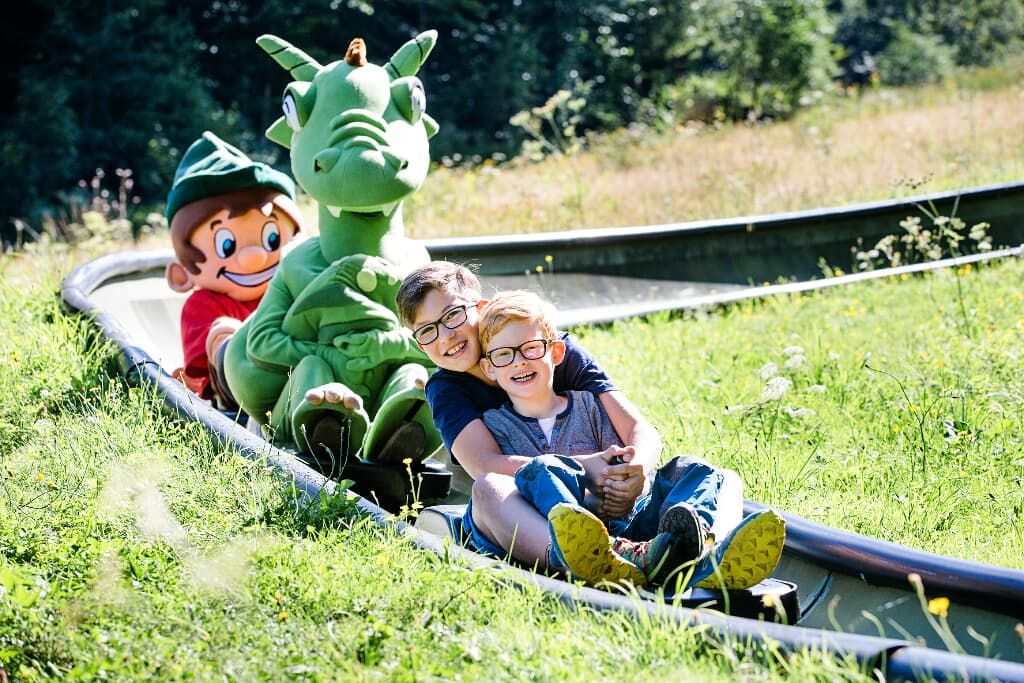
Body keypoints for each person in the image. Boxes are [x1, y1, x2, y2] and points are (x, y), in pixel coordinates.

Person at [395, 262, 783, 587]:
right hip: (532, 514)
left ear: (479, 307)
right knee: (488, 490)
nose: (446, 336)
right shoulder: (447, 388)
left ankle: (707, 555)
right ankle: (583, 557)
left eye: (453, 315)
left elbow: (639, 430)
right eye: (427, 331)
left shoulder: (549, 349)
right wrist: (586, 466)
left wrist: (634, 469)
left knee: (723, 478)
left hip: (611, 505)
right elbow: (485, 465)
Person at [165, 131, 302, 410]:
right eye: (226, 245)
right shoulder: (203, 306)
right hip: (236, 396)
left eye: (271, 239)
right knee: (224, 334)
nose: (254, 256)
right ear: (181, 275)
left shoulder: (290, 290)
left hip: (300, 375)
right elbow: (205, 365)